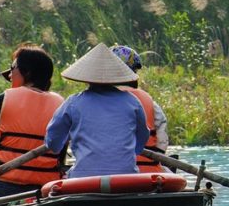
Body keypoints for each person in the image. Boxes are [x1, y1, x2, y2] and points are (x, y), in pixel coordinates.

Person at [0, 44, 65, 198]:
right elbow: (61, 153)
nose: (10, 75)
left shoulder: (4, 98)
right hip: (45, 188)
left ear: (26, 72)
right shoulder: (61, 104)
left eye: (12, 68)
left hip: (3, 187)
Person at [45, 43, 150, 179]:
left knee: (67, 176)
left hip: (84, 178)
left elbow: (53, 142)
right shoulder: (132, 102)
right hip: (127, 177)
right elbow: (142, 138)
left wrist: (60, 144)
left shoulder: (73, 103)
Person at [110, 44, 170, 173]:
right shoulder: (150, 102)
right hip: (149, 172)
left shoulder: (97, 100)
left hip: (109, 172)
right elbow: (162, 141)